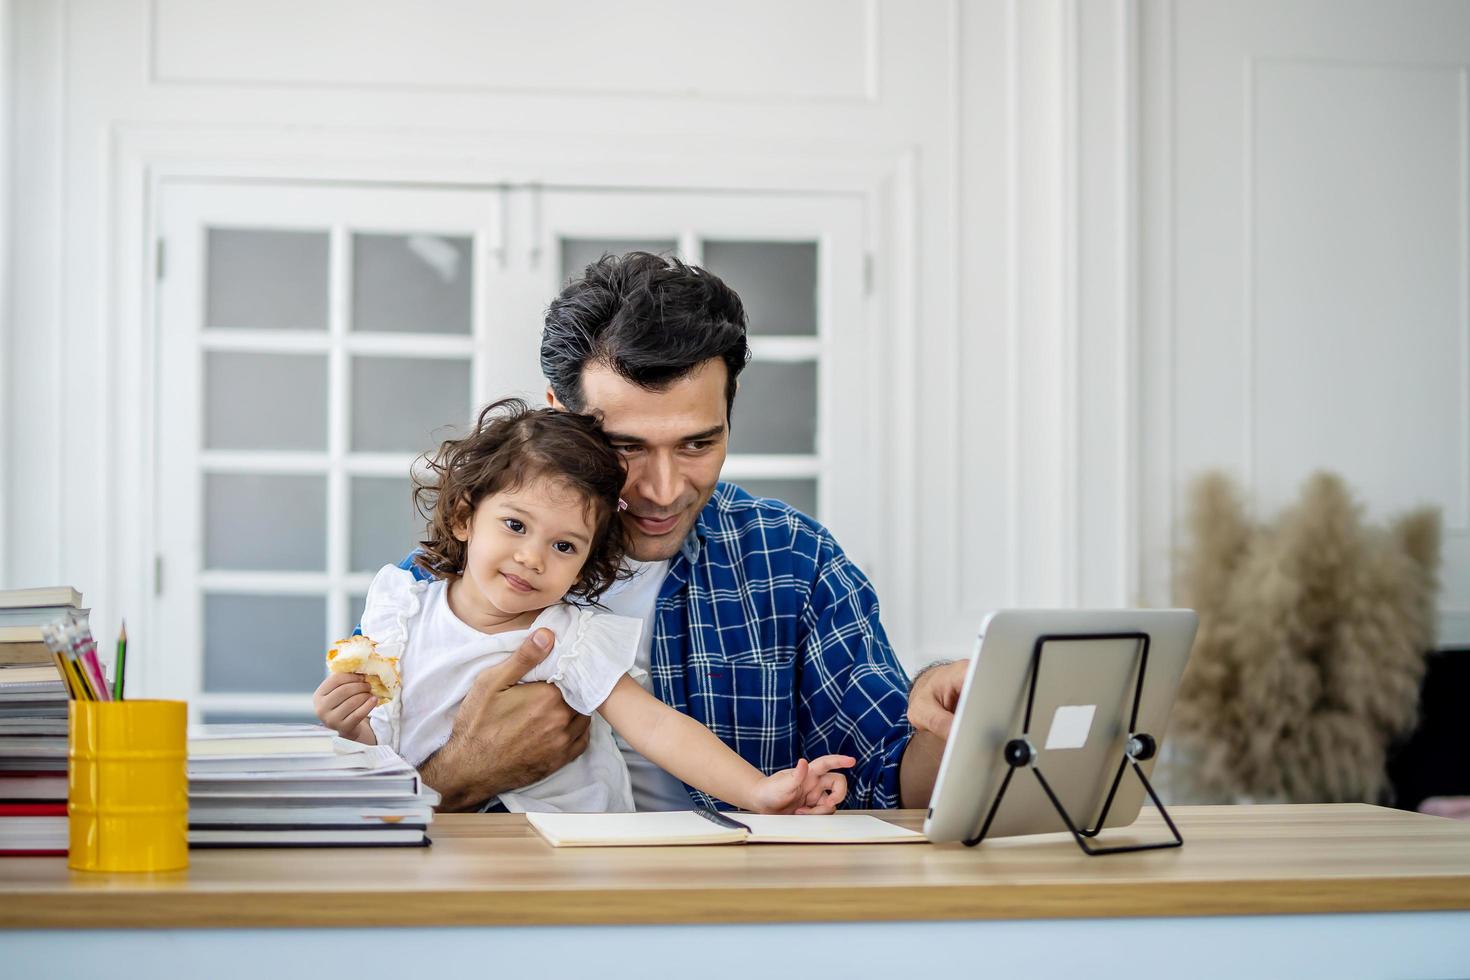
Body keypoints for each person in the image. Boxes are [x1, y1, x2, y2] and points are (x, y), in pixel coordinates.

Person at [397, 252, 969, 812]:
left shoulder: (793, 560)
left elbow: (893, 788)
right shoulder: (448, 583)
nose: (665, 490)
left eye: (698, 443)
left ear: (730, 410)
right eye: (627, 446)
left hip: (731, 901)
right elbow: (368, 797)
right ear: (560, 417)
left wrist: (947, 715)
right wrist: (460, 772)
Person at [312, 398, 854, 815]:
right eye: (516, 525)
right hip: (451, 839)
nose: (531, 558)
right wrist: (350, 728)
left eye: (564, 546)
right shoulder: (403, 605)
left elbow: (658, 728)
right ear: (462, 517)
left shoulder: (568, 636)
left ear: (587, 563)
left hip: (571, 848)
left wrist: (758, 791)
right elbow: (385, 751)